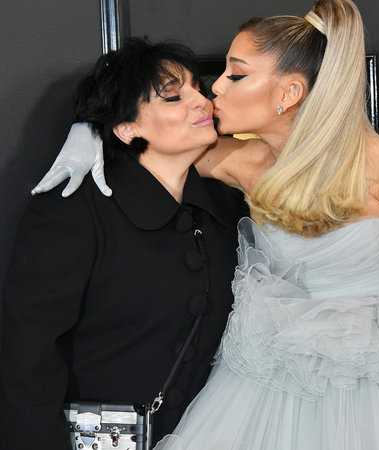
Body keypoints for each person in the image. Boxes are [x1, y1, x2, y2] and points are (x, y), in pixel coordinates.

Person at [29, 0, 379, 448]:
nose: (215, 89)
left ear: (288, 94)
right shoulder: (237, 161)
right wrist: (91, 128)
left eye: (236, 74)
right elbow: (155, 138)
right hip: (270, 375)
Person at [0, 38, 246, 450]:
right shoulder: (74, 210)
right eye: (173, 96)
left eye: (197, 89)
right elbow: (27, 354)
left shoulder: (224, 206)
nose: (200, 102)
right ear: (127, 128)